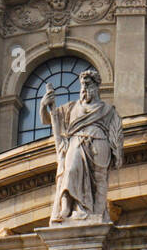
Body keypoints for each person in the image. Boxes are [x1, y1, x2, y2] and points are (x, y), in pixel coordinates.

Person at [41, 69, 123, 224]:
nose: (84, 89)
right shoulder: (71, 107)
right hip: (77, 142)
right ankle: (66, 208)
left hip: (100, 142)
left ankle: (97, 212)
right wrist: (44, 105)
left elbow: (116, 131)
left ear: (96, 87)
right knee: (70, 171)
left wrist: (117, 152)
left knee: (100, 179)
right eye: (82, 86)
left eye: (88, 85)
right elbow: (50, 120)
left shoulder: (108, 110)